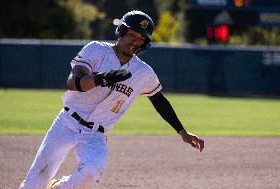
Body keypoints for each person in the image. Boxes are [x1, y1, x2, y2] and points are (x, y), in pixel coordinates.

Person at [19, 10, 204, 189]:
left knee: (92, 173)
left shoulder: (143, 72)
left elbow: (159, 101)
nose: (135, 41)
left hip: (96, 135)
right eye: (132, 34)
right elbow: (73, 82)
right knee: (34, 182)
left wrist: (182, 132)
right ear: (121, 31)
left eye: (141, 39)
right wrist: (101, 78)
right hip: (66, 123)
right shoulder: (96, 50)